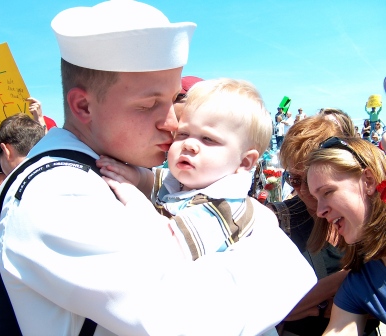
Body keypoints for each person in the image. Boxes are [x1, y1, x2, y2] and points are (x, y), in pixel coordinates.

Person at [0, 2, 316, 335]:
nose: (172, 124)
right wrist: (279, 253)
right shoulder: (59, 193)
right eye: (149, 104)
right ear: (83, 106)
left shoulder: (91, 173)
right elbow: (188, 319)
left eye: (174, 100)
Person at [98, 78, 276, 260]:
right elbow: (152, 180)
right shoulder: (183, 181)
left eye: (208, 139)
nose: (189, 144)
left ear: (244, 162)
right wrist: (132, 175)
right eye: (182, 134)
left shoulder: (224, 206)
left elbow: (168, 246)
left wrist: (133, 198)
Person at [270, 115, 379, 336]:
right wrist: (351, 279)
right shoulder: (280, 219)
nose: (300, 189)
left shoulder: (363, 219)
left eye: (308, 179)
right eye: (293, 179)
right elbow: (277, 309)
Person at [306, 137, 386, 335]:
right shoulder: (362, 282)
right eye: (316, 199)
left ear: (368, 180)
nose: (320, 211)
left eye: (328, 192)